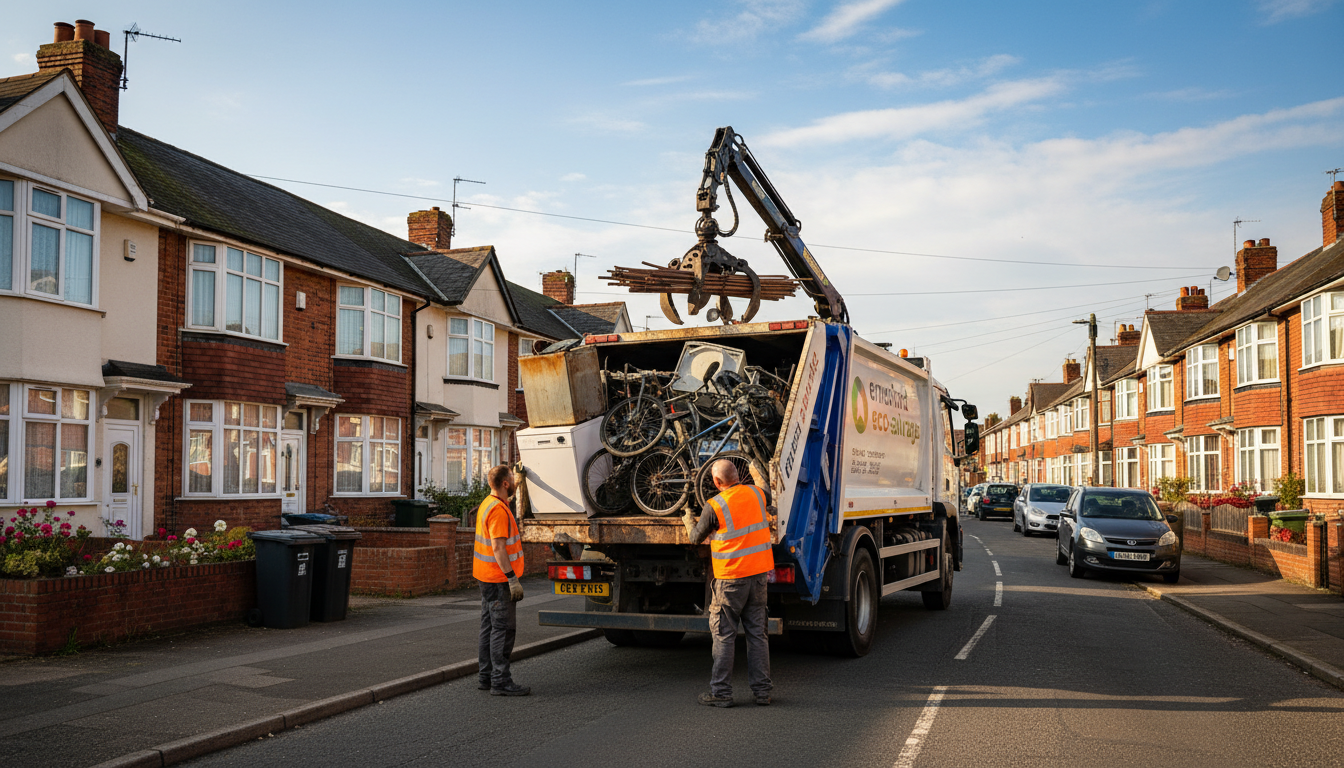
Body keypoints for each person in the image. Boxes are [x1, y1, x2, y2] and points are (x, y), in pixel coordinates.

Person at [682, 459, 774, 708]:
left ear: (716, 482)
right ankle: (762, 692)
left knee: (724, 636)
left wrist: (688, 518)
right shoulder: (756, 494)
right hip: (758, 578)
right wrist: (758, 470)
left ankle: (721, 693)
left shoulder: (715, 505)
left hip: (731, 580)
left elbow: (695, 538)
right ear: (738, 476)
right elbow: (768, 494)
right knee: (758, 635)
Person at [474, 464, 529, 696]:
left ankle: (486, 676)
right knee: (503, 630)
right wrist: (511, 578)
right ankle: (501, 681)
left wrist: (521, 478)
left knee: (488, 628)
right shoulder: (498, 510)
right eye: (512, 479)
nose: (515, 482)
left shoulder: (489, 503)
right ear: (505, 483)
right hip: (499, 579)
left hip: (485, 577)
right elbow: (498, 547)